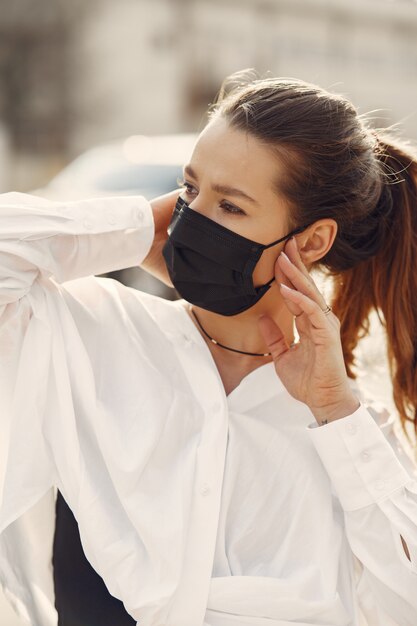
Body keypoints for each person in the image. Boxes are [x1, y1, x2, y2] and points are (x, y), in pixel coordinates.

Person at [0, 69, 417, 626]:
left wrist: (336, 414)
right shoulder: (96, 332)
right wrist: (132, 227)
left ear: (312, 241)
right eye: (190, 189)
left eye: (232, 207)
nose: (193, 220)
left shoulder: (350, 426)